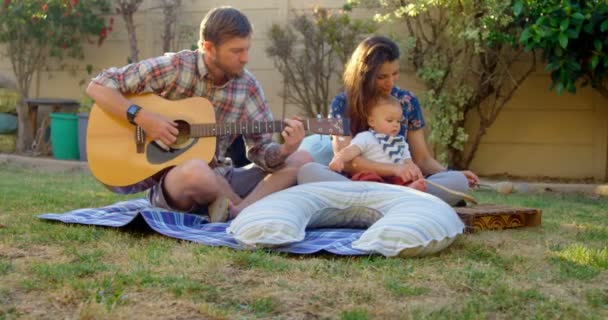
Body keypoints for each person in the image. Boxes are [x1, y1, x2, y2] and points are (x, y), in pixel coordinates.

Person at [86, 6, 312, 222]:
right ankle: (246, 212)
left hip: (224, 177)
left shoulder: (248, 86)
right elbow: (98, 86)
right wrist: (144, 118)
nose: (245, 58)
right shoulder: (176, 67)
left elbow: (260, 151)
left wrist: (285, 149)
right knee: (197, 169)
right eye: (236, 51)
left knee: (302, 160)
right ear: (209, 47)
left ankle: (237, 211)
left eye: (247, 49)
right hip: (179, 182)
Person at [297, 36, 478, 205]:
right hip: (359, 183)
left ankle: (376, 203)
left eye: (395, 74)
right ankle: (401, 200)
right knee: (308, 172)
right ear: (363, 75)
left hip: (398, 182)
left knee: (456, 181)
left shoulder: (407, 101)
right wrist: (394, 169)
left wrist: (448, 174)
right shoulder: (342, 104)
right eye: (382, 77)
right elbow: (349, 162)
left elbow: (422, 159)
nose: (390, 82)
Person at [328, 95, 426, 191]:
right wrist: (339, 159)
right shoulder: (366, 137)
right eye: (390, 120)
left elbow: (408, 162)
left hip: (394, 178)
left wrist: (415, 172)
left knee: (404, 178)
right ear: (372, 121)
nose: (395, 124)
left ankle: (409, 188)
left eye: (398, 121)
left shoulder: (401, 142)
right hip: (374, 176)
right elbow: (351, 150)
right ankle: (380, 191)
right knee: (366, 176)